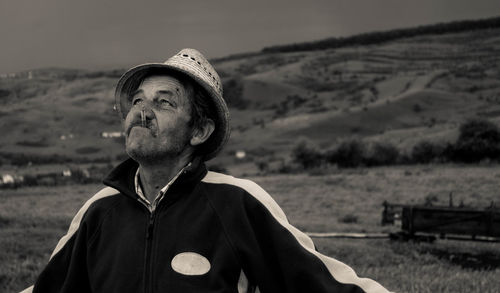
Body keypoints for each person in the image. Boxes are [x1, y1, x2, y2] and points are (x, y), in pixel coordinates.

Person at [23, 48, 390, 293]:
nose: (142, 111)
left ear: (198, 131)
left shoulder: (237, 203)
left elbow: (324, 284)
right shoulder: (99, 211)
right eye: (137, 100)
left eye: (163, 102)